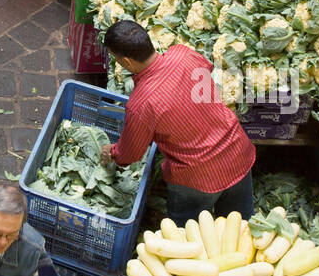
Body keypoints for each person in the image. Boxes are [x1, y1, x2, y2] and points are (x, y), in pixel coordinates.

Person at [102, 21, 256, 226]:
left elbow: (131, 154)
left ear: (127, 62)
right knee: (239, 229)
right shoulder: (182, 53)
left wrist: (112, 153)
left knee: (186, 238)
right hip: (237, 154)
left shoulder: (141, 103)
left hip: (197, 178)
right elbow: (207, 68)